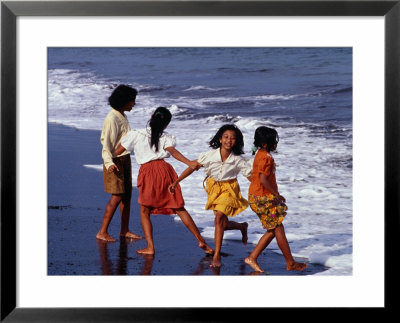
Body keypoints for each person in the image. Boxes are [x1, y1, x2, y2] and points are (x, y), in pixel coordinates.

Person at [114, 106, 213, 256]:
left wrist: (109, 159)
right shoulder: (167, 137)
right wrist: (189, 163)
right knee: (178, 207)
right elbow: (172, 152)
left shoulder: (135, 134)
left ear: (151, 115)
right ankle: (200, 240)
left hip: (148, 172)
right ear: (166, 124)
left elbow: (117, 152)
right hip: (165, 171)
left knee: (144, 210)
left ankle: (150, 247)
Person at [169, 124, 252, 268]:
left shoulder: (238, 160)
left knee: (219, 218)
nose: (229, 140)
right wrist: (176, 182)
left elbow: (252, 178)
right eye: (226, 137)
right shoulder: (209, 155)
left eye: (233, 138)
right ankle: (242, 226)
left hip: (229, 189)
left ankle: (217, 254)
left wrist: (267, 191)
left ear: (236, 141)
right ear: (220, 139)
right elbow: (192, 167)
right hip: (213, 188)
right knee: (222, 224)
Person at [244, 126, 307, 272]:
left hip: (256, 196)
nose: (276, 144)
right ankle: (290, 262)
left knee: (274, 229)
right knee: (278, 227)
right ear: (266, 144)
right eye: (274, 141)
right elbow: (264, 179)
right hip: (263, 198)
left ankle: (253, 257)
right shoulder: (266, 157)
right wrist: (276, 195)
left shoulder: (259, 153)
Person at [96, 84, 142, 242]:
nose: (134, 104)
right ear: (124, 101)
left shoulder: (121, 114)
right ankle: (102, 231)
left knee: (126, 196)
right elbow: (106, 144)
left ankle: (124, 230)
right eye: (132, 101)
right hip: (114, 161)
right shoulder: (112, 118)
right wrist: (109, 163)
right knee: (117, 196)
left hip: (124, 158)